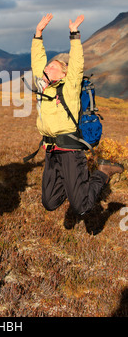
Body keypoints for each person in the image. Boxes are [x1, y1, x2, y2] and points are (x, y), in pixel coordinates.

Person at [31, 13, 124, 216]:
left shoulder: (70, 87)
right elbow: (37, 61)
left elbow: (77, 64)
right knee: (49, 201)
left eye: (52, 66)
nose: (47, 67)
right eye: (47, 65)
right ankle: (75, 185)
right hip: (51, 151)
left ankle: (102, 173)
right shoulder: (44, 88)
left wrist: (74, 35)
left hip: (70, 150)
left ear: (64, 74)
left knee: (81, 206)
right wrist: (38, 34)